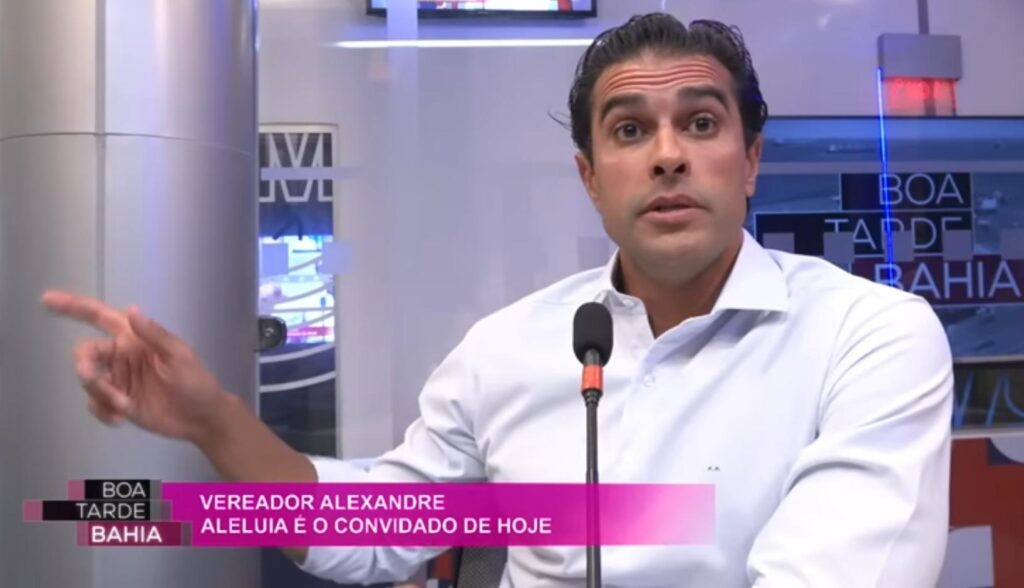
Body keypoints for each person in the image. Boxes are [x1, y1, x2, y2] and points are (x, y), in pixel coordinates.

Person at [43, 13, 952, 587]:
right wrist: (215, 421)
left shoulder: (867, 337)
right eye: (630, 130)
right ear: (590, 178)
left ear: (749, 160)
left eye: (702, 123)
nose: (668, 155)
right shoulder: (509, 347)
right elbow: (372, 534)